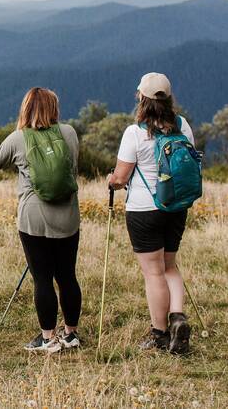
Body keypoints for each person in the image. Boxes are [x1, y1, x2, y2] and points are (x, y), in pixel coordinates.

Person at [0, 87, 81, 353]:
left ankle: (48, 339)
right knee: (67, 276)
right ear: (54, 108)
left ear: (26, 109)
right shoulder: (69, 133)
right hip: (68, 217)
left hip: (33, 219)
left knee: (43, 279)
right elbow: (73, 171)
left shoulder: (18, 139)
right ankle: (71, 335)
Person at [107, 73, 197, 354]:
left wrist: (110, 181)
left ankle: (159, 334)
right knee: (170, 265)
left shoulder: (135, 132)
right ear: (169, 98)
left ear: (141, 98)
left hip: (144, 209)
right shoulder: (183, 126)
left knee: (153, 273)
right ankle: (178, 316)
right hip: (177, 206)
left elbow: (121, 178)